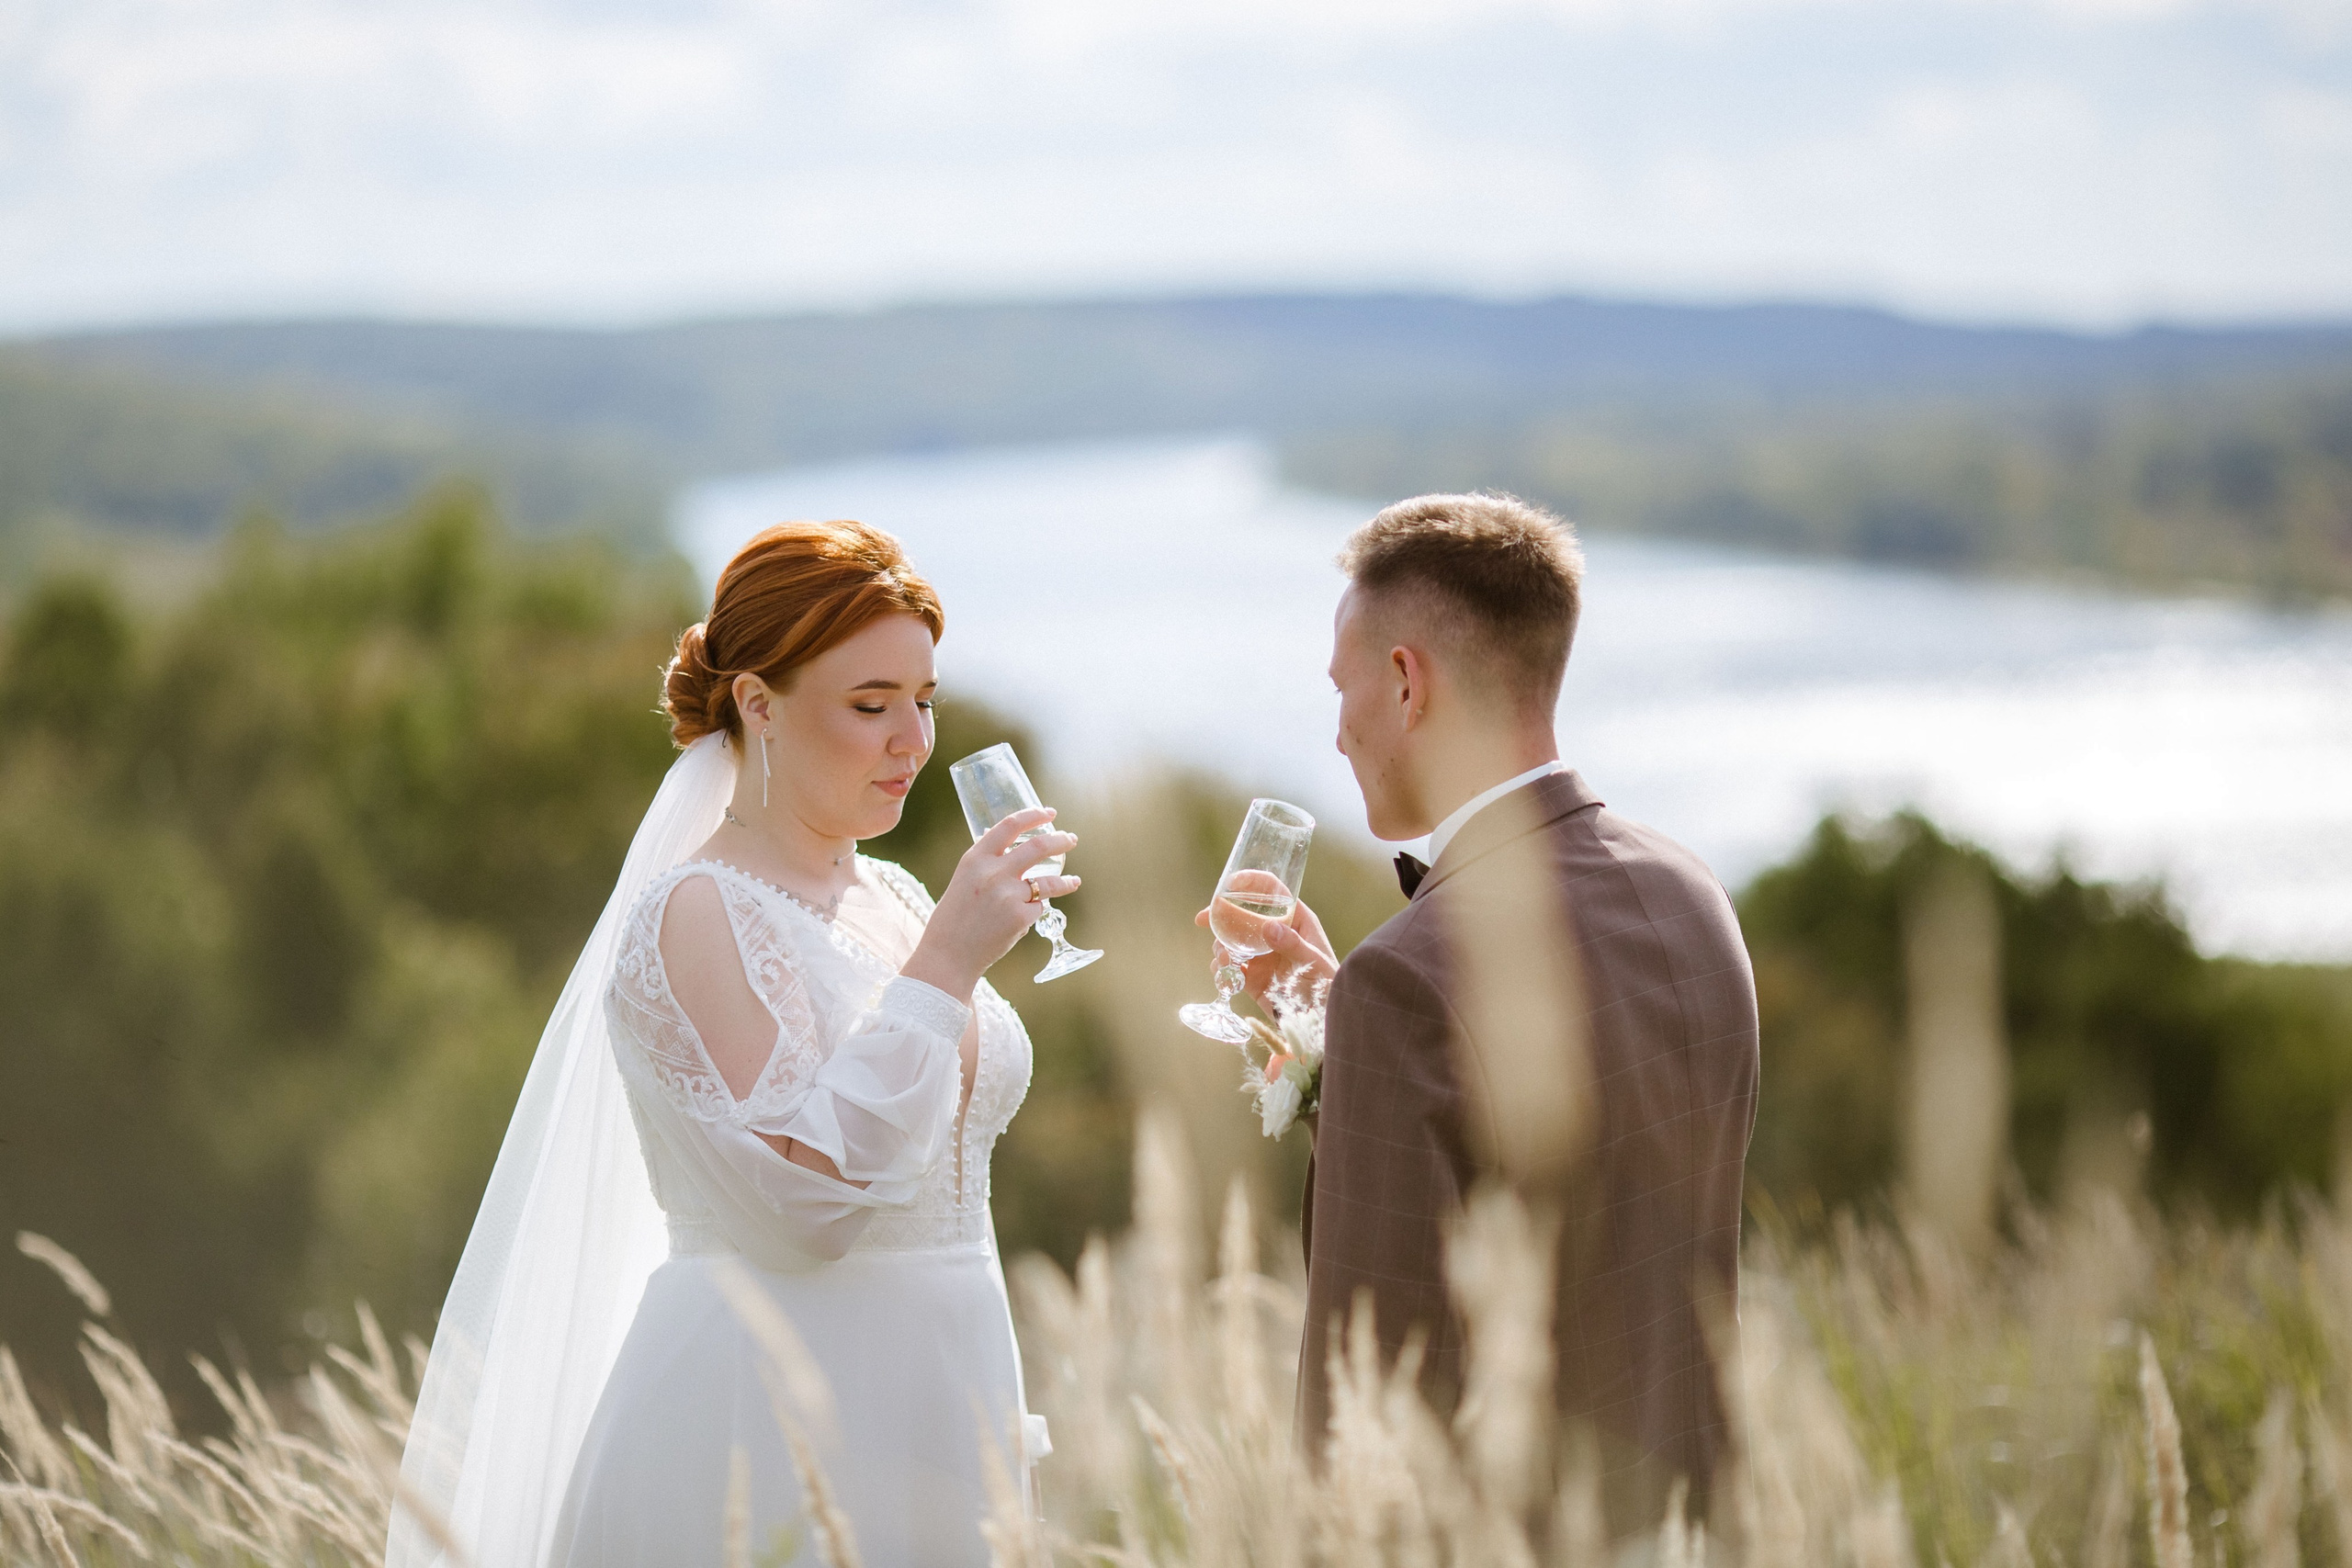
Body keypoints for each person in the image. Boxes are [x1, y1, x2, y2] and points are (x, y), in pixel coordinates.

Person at [390, 521, 1064, 1568]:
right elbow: (805, 1211)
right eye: (871, 705)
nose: (914, 742)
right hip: (771, 1429)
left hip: (940, 1407)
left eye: (922, 701)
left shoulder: (891, 893)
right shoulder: (697, 912)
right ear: (758, 704)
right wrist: (947, 966)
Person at [1212, 492, 1760, 1537]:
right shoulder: (1693, 895)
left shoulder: (1406, 981)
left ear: (1407, 681)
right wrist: (1344, 1034)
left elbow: (1370, 1386)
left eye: (1345, 689)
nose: (1337, 731)